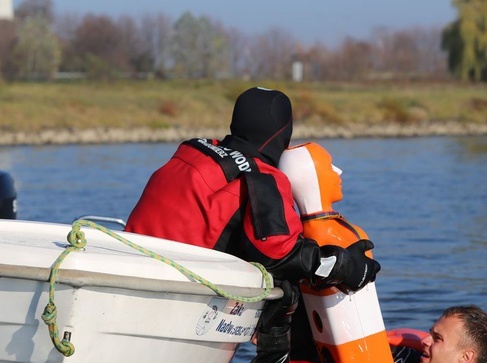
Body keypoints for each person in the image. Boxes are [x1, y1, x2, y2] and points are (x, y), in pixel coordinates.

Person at [126, 87, 380, 294]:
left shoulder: (192, 151)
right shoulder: (263, 177)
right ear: (283, 132)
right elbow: (280, 255)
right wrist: (346, 267)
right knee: (285, 291)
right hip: (177, 291)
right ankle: (273, 357)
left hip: (131, 267)